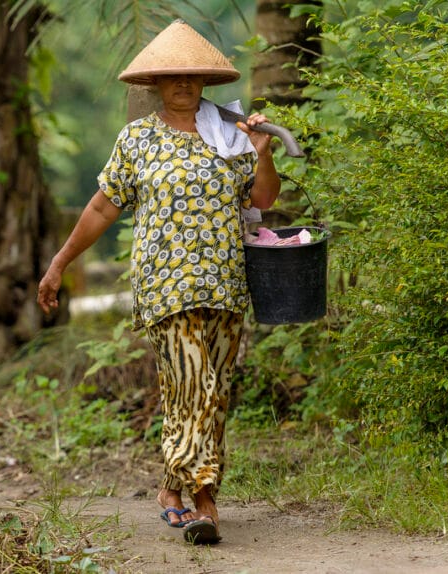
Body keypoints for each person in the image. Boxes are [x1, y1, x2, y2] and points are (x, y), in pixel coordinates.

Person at [36, 20, 281, 545]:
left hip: (225, 284)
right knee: (198, 381)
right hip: (165, 284)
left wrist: (261, 152)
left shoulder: (229, 135)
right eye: (172, 77)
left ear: (204, 83)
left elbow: (262, 201)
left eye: (192, 77)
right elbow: (103, 206)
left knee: (204, 393)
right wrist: (59, 262)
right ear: (155, 84)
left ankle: (172, 488)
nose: (183, 84)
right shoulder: (139, 139)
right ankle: (205, 500)